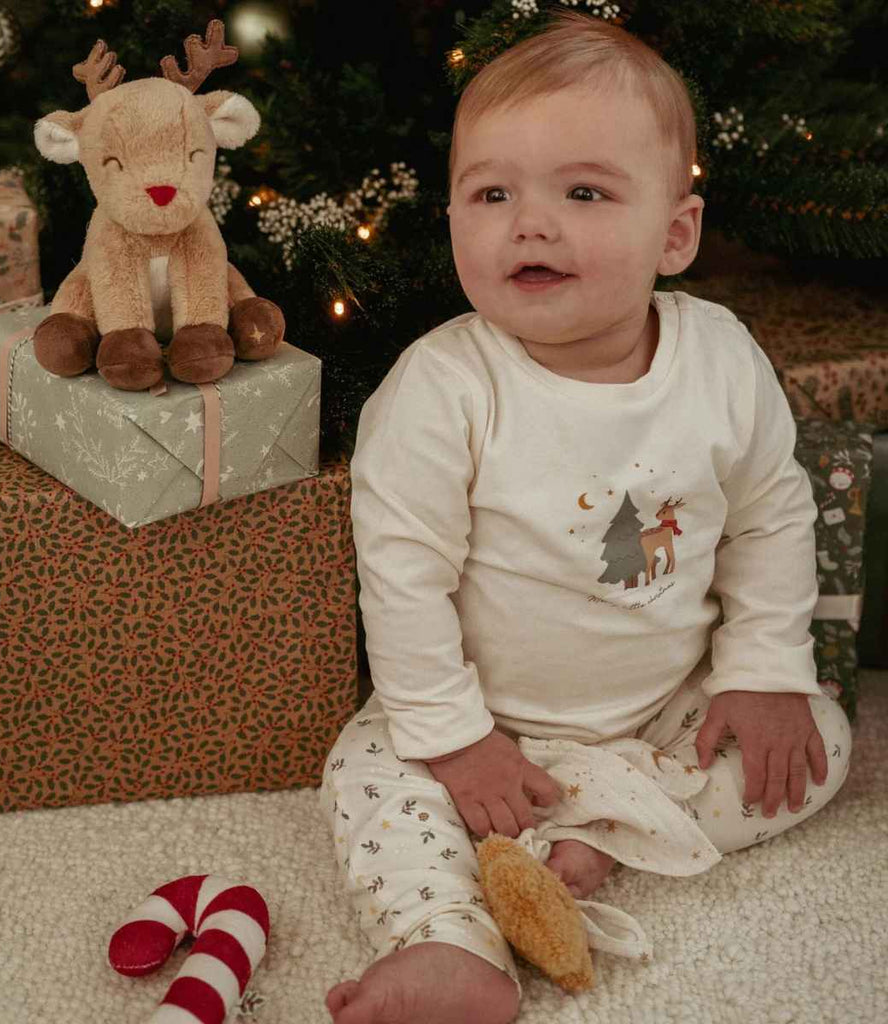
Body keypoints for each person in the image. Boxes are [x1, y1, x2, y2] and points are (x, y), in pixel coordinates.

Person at [319, 10, 853, 1024]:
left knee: (814, 743)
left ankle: (596, 834)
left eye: (584, 192)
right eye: (493, 194)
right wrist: (456, 739)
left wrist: (761, 670)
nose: (529, 222)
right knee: (366, 773)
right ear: (452, 216)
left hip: (666, 706)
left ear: (675, 234)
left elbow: (770, 518)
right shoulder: (442, 388)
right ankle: (446, 937)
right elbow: (403, 578)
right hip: (485, 714)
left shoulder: (720, 358)